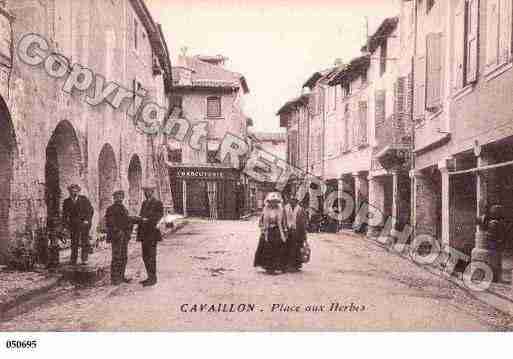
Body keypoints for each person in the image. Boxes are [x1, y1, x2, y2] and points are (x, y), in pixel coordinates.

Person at [253, 192, 287, 275]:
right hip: (267, 230)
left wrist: (284, 230)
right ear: (269, 202)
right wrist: (263, 228)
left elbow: (283, 222)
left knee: (278, 246)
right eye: (271, 202)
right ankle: (267, 266)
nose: (273, 203)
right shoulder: (265, 210)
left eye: (275, 202)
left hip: (277, 230)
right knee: (266, 247)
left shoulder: (281, 210)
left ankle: (277, 266)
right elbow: (261, 221)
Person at [136, 184, 164, 287]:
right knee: (145, 256)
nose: (146, 193)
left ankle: (153, 279)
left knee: (151, 256)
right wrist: (139, 219)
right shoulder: (144, 203)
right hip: (144, 233)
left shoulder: (157, 203)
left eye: (148, 191)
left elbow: (159, 216)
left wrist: (148, 220)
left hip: (152, 233)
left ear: (152, 192)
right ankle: (149, 277)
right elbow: (142, 215)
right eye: (145, 191)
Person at [105, 190, 133, 285]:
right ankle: (114, 278)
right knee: (116, 256)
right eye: (117, 197)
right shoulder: (110, 209)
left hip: (124, 236)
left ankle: (121, 276)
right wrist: (118, 231)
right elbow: (110, 223)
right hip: (116, 236)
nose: (119, 198)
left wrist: (128, 233)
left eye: (121, 197)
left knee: (124, 256)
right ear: (114, 198)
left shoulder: (124, 208)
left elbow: (128, 221)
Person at [62, 184, 94, 265]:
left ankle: (84, 259)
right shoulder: (67, 202)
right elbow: (64, 215)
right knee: (74, 242)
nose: (74, 192)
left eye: (76, 191)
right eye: (72, 191)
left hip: (84, 223)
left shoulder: (84, 199)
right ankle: (73, 259)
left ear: (78, 191)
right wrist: (65, 225)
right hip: (73, 225)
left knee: (84, 241)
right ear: (69, 192)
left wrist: (87, 220)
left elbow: (90, 210)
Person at [284, 196, 308, 272]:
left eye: (294, 200)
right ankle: (287, 265)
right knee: (287, 248)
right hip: (287, 231)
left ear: (297, 201)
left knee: (296, 249)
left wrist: (304, 235)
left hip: (297, 232)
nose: (293, 202)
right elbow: (282, 220)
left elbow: (303, 223)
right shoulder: (285, 208)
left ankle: (295, 265)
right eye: (291, 200)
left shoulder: (301, 210)